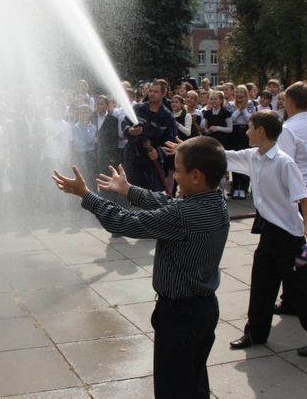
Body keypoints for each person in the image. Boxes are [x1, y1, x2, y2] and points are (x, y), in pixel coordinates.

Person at [53, 135, 230, 398]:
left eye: (178, 171)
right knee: (193, 380)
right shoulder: (216, 202)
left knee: (173, 388)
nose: (175, 177)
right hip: (204, 309)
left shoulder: (184, 216)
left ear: (196, 176)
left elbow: (124, 223)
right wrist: (128, 190)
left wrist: (86, 195)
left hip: (181, 316)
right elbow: (168, 203)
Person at [223, 111, 307, 357]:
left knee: (300, 290)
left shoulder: (284, 162)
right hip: (269, 232)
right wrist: (189, 149)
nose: (246, 131)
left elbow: (304, 198)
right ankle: (255, 332)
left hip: (290, 238)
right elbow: (223, 156)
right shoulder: (252, 157)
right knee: (261, 282)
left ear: (261, 131)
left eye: (250, 127)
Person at [273, 82, 307, 316]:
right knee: (298, 243)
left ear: (292, 102)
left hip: (295, 190)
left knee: (290, 245)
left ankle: (294, 296)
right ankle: (291, 294)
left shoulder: (288, 128)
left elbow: (285, 164)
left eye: (285, 100)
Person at [122, 80, 176, 192]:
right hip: (132, 157)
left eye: (156, 92)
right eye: (150, 91)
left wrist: (158, 152)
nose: (152, 94)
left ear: (163, 94)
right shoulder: (138, 109)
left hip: (151, 161)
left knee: (152, 193)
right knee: (130, 192)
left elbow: (170, 141)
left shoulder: (167, 117)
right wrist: (130, 131)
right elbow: (125, 123)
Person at [229, 86, 256, 200]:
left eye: (242, 92)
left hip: (245, 132)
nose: (239, 94)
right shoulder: (230, 104)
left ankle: (244, 187)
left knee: (245, 159)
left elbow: (250, 118)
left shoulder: (250, 104)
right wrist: (239, 109)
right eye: (237, 92)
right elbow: (231, 119)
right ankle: (235, 186)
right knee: (235, 158)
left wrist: (244, 109)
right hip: (234, 133)